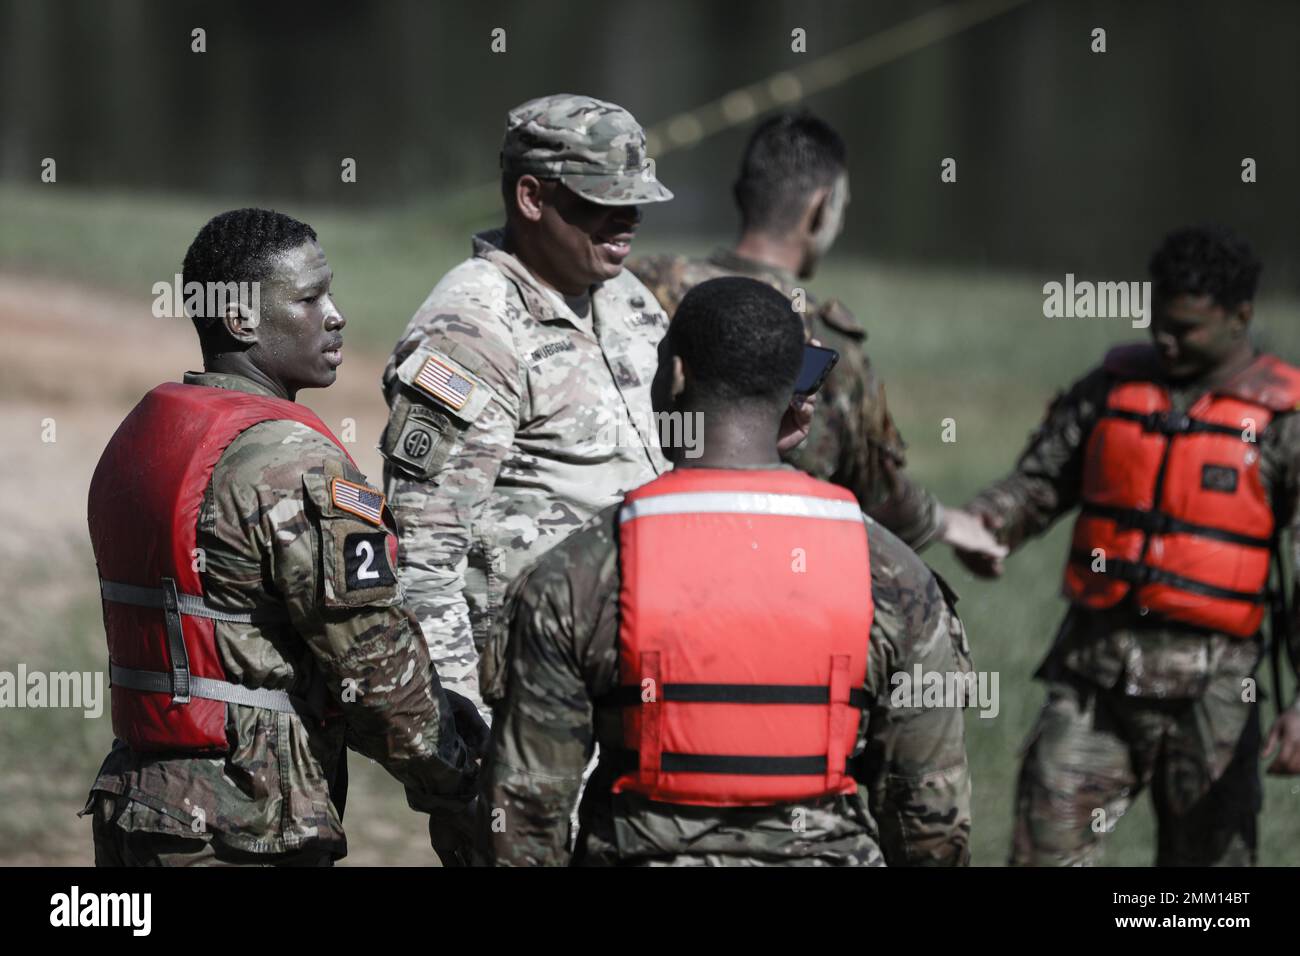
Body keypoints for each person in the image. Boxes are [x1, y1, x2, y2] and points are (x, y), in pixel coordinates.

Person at [476, 277, 973, 866]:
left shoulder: (578, 573)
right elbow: (930, 816)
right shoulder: (893, 574)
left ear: (678, 376)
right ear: (793, 393)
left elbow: (528, 817)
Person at [83, 208, 484, 866]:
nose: (336, 315)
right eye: (310, 297)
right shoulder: (294, 461)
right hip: (246, 823)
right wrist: (462, 773)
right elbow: (375, 670)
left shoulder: (141, 438)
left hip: (138, 810)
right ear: (241, 319)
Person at [957, 224, 1300, 865]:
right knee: (1041, 854)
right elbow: (1039, 482)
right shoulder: (1112, 387)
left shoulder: (1283, 422)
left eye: (1185, 328)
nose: (1164, 340)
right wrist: (986, 522)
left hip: (1215, 695)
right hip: (1095, 679)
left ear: (1239, 318)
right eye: (1157, 322)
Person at [378, 93, 680, 720]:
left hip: (630, 685)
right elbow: (425, 565)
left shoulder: (627, 298)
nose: (626, 223)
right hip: (529, 710)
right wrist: (467, 741)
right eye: (602, 204)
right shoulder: (472, 330)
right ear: (532, 198)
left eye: (635, 204)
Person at [630, 111, 1004, 563]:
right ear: (822, 209)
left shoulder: (639, 286)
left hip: (641, 543)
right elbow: (877, 492)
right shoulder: (828, 345)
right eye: (841, 211)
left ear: (739, 195)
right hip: (765, 565)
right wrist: (948, 523)